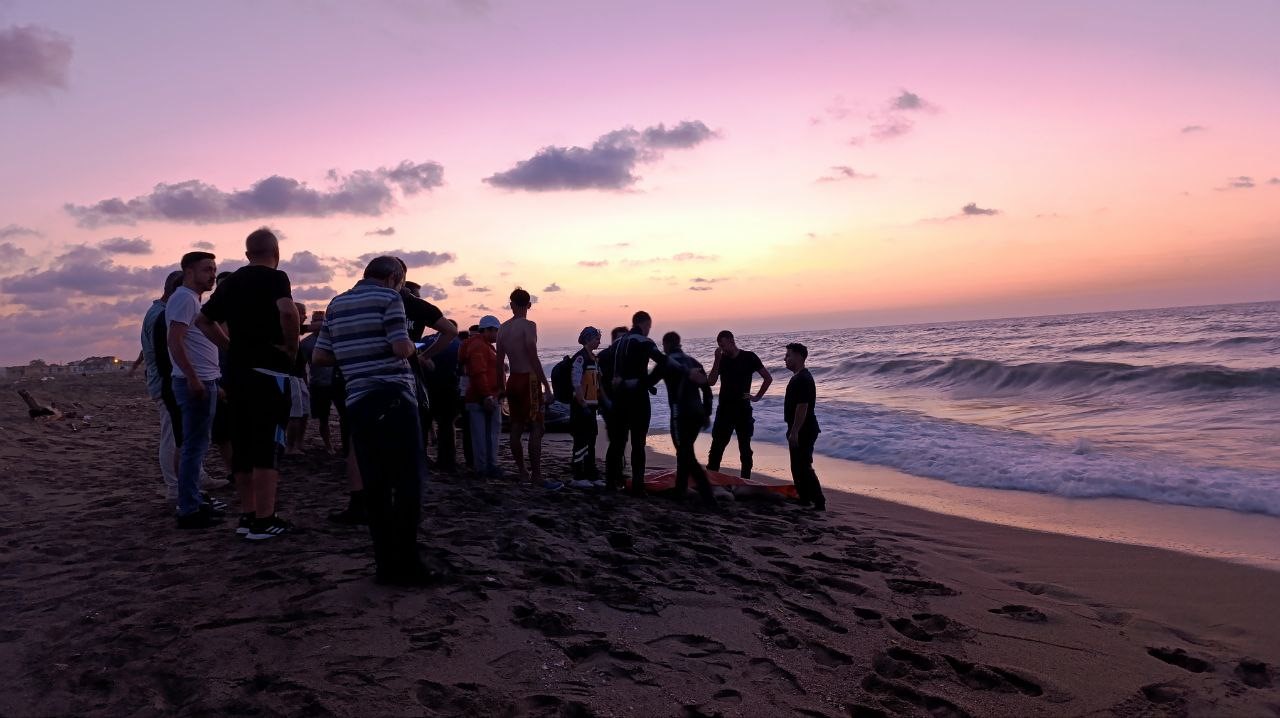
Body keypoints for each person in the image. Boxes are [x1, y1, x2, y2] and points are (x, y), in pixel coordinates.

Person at [313, 256, 432, 586]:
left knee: (376, 484)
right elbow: (399, 347)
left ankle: (385, 565)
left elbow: (320, 356)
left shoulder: (336, 303)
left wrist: (354, 355)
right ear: (395, 277)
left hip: (357, 401)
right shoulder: (390, 298)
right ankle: (408, 563)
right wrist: (414, 348)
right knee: (409, 482)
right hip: (393, 396)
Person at [195, 228, 299, 540]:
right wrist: (291, 349)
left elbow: (203, 320)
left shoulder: (233, 281)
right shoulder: (275, 277)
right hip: (269, 373)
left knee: (242, 446)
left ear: (246, 254)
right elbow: (288, 313)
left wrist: (228, 347)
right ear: (276, 252)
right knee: (268, 444)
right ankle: (265, 520)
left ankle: (248, 514)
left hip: (238, 375)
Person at [168, 251, 224, 528]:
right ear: (189, 271)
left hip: (206, 378)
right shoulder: (183, 299)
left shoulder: (193, 300)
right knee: (194, 447)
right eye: (207, 269)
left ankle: (193, 500)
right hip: (194, 382)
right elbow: (174, 341)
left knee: (197, 446)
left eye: (214, 269)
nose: (212, 275)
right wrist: (192, 378)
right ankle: (189, 508)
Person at [496, 288, 559, 490]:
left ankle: (523, 472)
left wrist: (501, 387)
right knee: (537, 427)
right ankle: (537, 476)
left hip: (512, 379)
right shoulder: (529, 325)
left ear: (511, 304)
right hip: (528, 380)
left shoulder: (502, 329)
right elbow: (533, 355)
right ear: (529, 305)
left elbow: (499, 362)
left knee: (515, 427)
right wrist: (546, 386)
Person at [604, 312, 667, 496]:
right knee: (638, 443)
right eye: (649, 326)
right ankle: (638, 486)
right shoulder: (643, 341)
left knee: (617, 443)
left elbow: (603, 368)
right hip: (637, 397)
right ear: (645, 324)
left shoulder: (617, 344)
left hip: (618, 399)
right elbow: (663, 362)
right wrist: (646, 382)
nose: (649, 330)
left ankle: (610, 483)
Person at [138, 270, 185, 504]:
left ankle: (195, 476)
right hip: (167, 384)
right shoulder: (162, 315)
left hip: (165, 381)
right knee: (172, 436)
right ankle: (174, 486)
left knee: (182, 435)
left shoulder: (157, 312)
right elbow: (165, 355)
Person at [660, 331, 717, 508]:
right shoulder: (694, 362)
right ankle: (680, 490)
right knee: (684, 450)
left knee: (685, 453)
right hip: (697, 415)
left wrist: (626, 384)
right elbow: (707, 391)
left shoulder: (667, 363)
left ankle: (708, 495)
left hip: (680, 415)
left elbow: (648, 381)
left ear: (666, 345)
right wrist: (707, 413)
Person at [706, 330, 772, 479]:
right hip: (724, 409)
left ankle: (746, 481)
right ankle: (711, 479)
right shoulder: (722, 359)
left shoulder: (749, 357)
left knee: (745, 448)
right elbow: (711, 381)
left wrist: (756, 397)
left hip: (743, 409)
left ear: (731, 340)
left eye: (723, 345)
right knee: (717, 447)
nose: (721, 348)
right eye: (719, 346)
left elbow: (767, 378)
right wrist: (717, 359)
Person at [460, 315, 503, 478]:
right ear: (488, 330)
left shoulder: (481, 345)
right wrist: (487, 396)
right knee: (486, 435)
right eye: (496, 331)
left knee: (484, 434)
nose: (498, 335)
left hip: (484, 396)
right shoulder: (479, 346)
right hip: (483, 397)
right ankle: (485, 467)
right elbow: (478, 372)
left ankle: (487, 466)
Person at [784, 342, 824, 511]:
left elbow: (803, 407)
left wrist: (795, 432)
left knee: (803, 465)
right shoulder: (798, 377)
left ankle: (819, 501)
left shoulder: (803, 379)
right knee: (797, 465)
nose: (785, 359)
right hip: (799, 427)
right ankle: (804, 497)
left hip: (804, 428)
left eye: (788, 355)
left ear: (799, 356)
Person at [420, 320, 462, 472]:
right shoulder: (458, 343)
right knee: (446, 425)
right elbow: (462, 365)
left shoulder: (425, 340)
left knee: (424, 425)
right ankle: (446, 461)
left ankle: (421, 457)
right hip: (447, 388)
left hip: (425, 388)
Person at [568, 327, 603, 488]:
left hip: (591, 407)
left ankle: (591, 473)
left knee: (591, 440)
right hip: (581, 408)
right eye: (596, 338)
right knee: (581, 441)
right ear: (588, 339)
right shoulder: (580, 358)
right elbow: (576, 383)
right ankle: (578, 475)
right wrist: (582, 403)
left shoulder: (594, 359)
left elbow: (597, 384)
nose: (599, 341)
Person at [285, 301, 310, 455]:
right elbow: (312, 327)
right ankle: (290, 446)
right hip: (290, 377)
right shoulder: (287, 328)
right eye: (301, 313)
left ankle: (298, 443)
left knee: (305, 412)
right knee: (294, 414)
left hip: (300, 377)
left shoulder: (296, 331)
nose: (305, 316)